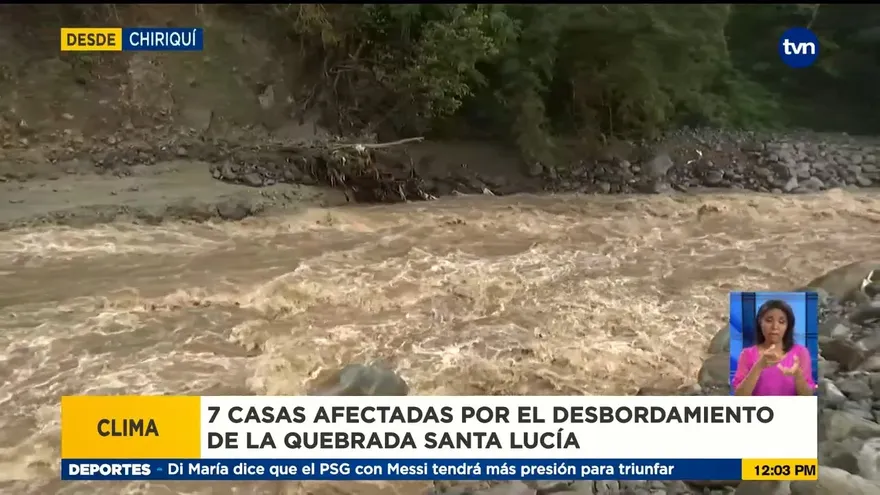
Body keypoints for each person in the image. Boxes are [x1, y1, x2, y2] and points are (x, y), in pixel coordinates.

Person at [733, 299, 816, 396]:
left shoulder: (801, 353)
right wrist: (759, 366)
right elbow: (739, 397)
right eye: (769, 320)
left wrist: (797, 374)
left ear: (787, 326)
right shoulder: (747, 354)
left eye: (781, 322)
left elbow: (807, 397)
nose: (775, 326)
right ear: (760, 323)